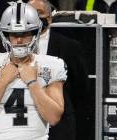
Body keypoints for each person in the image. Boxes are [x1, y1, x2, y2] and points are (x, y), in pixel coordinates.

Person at [0, 1, 67, 140]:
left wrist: (33, 83)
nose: (19, 40)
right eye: (14, 34)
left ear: (36, 33)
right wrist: (3, 81)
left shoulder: (52, 65)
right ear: (5, 34)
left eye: (25, 33)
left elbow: (54, 118)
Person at [28, 0, 88, 140]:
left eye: (40, 13)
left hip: (60, 124)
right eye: (31, 14)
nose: (35, 18)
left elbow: (81, 86)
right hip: (25, 119)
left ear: (49, 18)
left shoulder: (70, 46)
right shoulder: (13, 45)